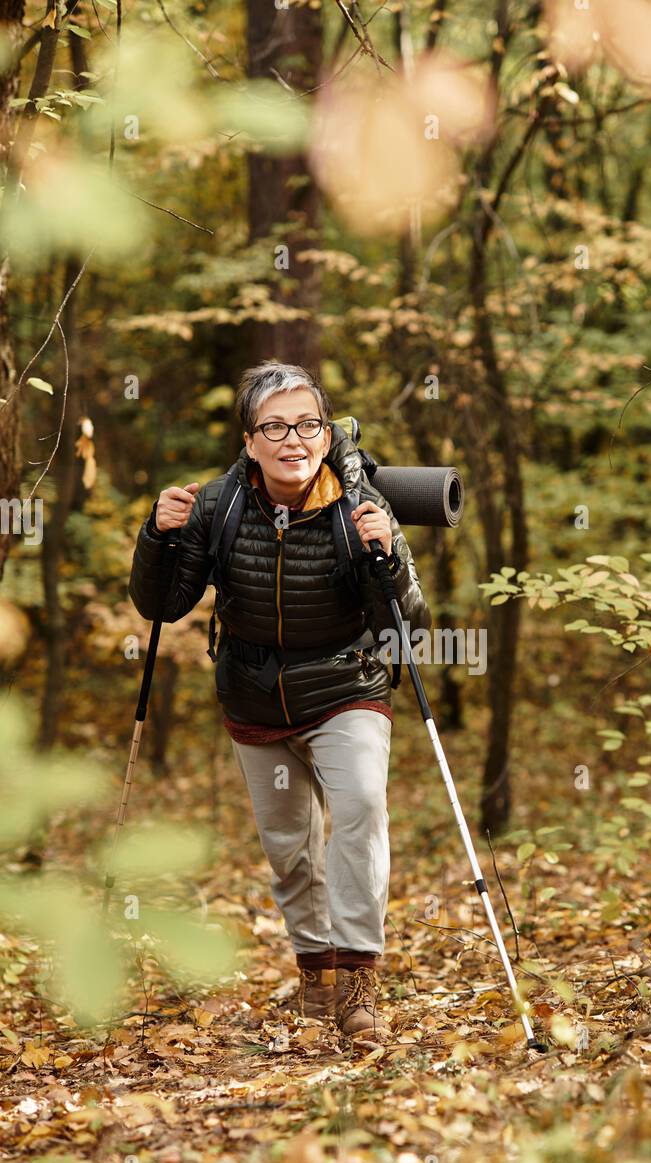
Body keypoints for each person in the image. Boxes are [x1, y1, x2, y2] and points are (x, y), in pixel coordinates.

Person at [128, 361, 432, 1051]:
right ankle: (316, 974)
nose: (292, 439)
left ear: (325, 434)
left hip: (346, 687)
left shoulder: (361, 509)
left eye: (306, 423)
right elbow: (162, 605)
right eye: (274, 426)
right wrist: (157, 534)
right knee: (289, 848)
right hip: (254, 696)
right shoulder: (219, 505)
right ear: (249, 441)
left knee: (360, 808)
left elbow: (410, 633)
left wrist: (391, 562)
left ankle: (358, 983)